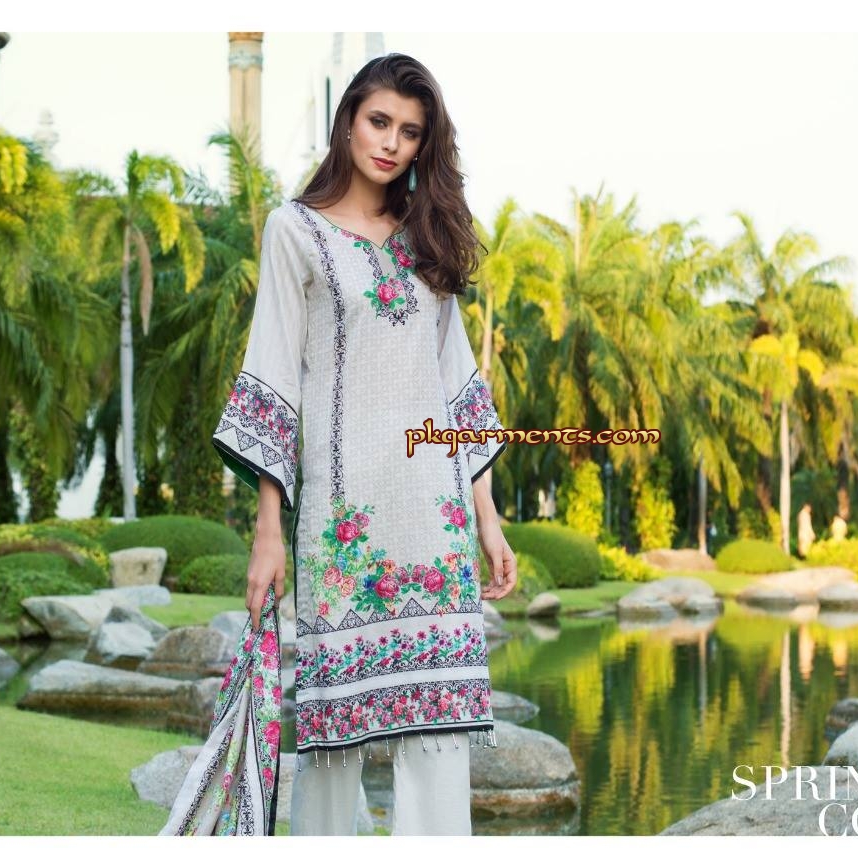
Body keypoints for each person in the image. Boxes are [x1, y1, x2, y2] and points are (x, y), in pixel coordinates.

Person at [210, 53, 517, 836]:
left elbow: (455, 384)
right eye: (380, 121)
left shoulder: (427, 241)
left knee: (438, 738)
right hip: (341, 527)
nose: (391, 143)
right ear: (348, 119)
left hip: (433, 520)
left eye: (410, 132)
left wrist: (486, 516)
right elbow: (274, 374)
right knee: (332, 739)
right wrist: (268, 530)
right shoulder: (296, 231)